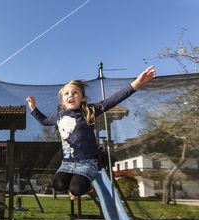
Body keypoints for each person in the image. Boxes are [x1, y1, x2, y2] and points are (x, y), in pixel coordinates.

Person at [26, 66, 156, 200]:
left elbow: (113, 100)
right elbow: (44, 121)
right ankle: (74, 185)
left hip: (87, 163)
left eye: (75, 92)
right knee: (58, 185)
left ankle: (87, 187)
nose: (70, 95)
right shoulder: (59, 115)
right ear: (62, 101)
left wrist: (137, 83)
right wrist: (33, 108)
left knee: (77, 189)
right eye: (66, 93)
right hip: (67, 163)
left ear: (82, 98)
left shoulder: (89, 111)